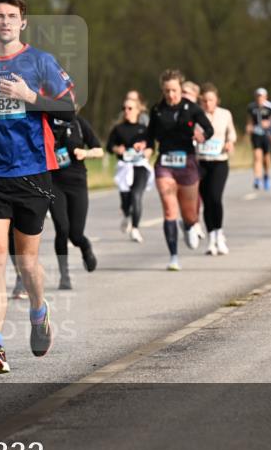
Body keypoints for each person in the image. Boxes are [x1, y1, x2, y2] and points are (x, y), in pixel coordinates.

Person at [0, 0, 76, 374]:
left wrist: (31, 96)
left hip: (32, 171)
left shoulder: (41, 62)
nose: (5, 22)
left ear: (22, 23)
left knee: (26, 262)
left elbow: (69, 107)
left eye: (12, 16)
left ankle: (38, 310)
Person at [148, 69, 214, 271]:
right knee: (169, 210)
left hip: (187, 162)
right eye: (167, 91)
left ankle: (189, 225)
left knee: (190, 214)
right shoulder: (157, 110)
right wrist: (146, 147)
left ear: (180, 88)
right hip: (165, 162)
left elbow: (209, 129)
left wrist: (202, 136)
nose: (171, 95)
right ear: (162, 90)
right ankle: (174, 257)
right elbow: (150, 136)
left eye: (174, 90)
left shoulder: (191, 108)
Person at [48, 113, 103, 289]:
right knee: (62, 228)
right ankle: (64, 276)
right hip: (53, 183)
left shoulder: (79, 123)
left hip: (77, 183)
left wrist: (85, 152)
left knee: (76, 234)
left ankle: (85, 246)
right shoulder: (45, 122)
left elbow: (99, 150)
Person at [196, 83, 236, 255]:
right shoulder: (197, 115)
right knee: (206, 201)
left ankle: (219, 234)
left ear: (217, 100)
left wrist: (230, 142)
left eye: (210, 100)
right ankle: (211, 238)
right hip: (201, 162)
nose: (207, 104)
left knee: (215, 197)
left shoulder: (225, 114)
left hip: (220, 161)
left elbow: (231, 133)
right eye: (204, 101)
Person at [107, 92, 152, 243]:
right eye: (124, 108)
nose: (126, 111)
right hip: (124, 167)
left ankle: (135, 229)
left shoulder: (144, 129)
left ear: (138, 110)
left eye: (130, 108)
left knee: (136, 195)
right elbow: (109, 146)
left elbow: (151, 146)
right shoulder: (118, 129)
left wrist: (147, 150)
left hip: (140, 166)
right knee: (126, 199)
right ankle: (127, 215)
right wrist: (117, 149)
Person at [246, 87, 271, 191]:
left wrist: (269, 123)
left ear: (266, 97)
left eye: (262, 96)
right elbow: (250, 120)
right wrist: (249, 127)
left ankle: (266, 175)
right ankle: (257, 178)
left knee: (266, 158)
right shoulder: (251, 107)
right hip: (256, 134)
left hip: (267, 135)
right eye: (258, 96)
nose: (260, 98)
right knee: (257, 156)